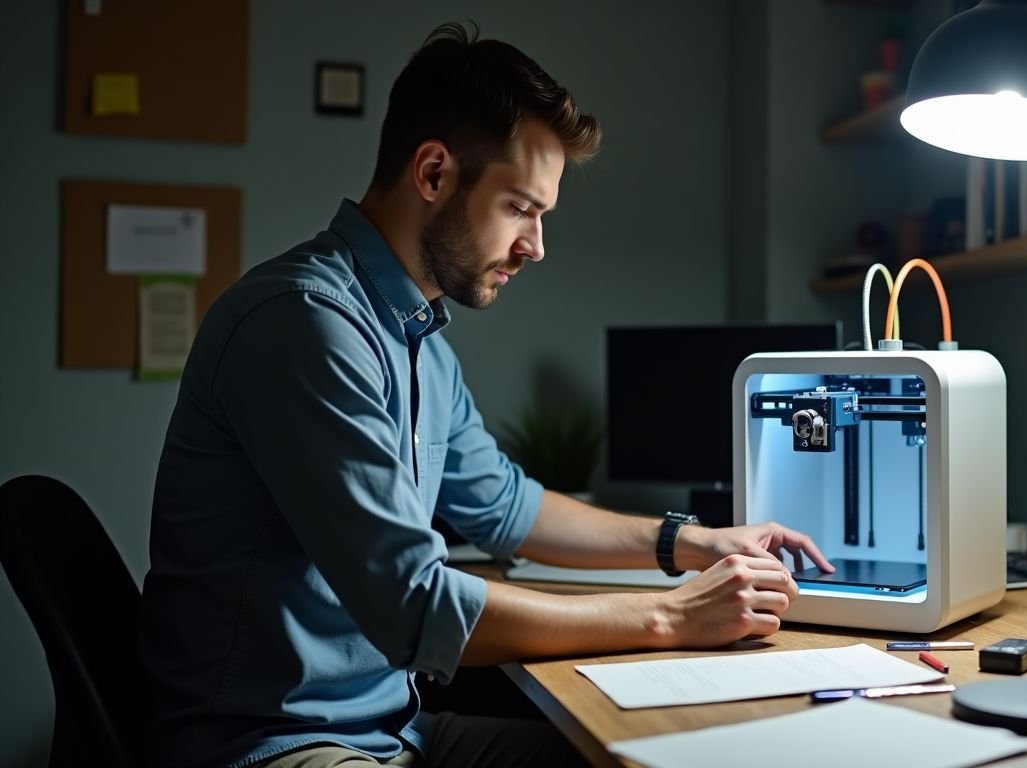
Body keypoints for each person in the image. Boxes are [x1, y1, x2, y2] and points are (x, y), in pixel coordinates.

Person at [138, 21, 833, 768]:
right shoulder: (304, 324)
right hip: (271, 745)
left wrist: (691, 542)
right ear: (434, 173)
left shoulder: (418, 341)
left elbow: (506, 507)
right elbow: (415, 609)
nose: (536, 245)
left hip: (393, 733)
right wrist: (668, 617)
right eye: (520, 209)